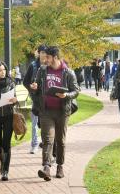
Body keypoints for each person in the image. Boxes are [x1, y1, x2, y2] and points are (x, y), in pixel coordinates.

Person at [30, 46, 79, 181]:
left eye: (48, 57)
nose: (45, 59)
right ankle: (46, 167)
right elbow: (37, 88)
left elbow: (76, 91)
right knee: (47, 139)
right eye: (45, 56)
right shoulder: (42, 70)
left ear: (55, 57)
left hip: (62, 112)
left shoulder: (68, 72)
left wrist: (66, 95)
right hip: (46, 111)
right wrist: (34, 88)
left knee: (60, 141)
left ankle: (60, 166)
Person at [23, 45, 47, 154]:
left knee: (46, 124)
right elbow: (25, 82)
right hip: (36, 99)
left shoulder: (50, 66)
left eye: (46, 53)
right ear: (38, 53)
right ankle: (34, 145)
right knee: (34, 122)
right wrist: (31, 90)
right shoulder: (33, 66)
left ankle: (45, 144)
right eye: (42, 52)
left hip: (48, 100)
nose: (44, 55)